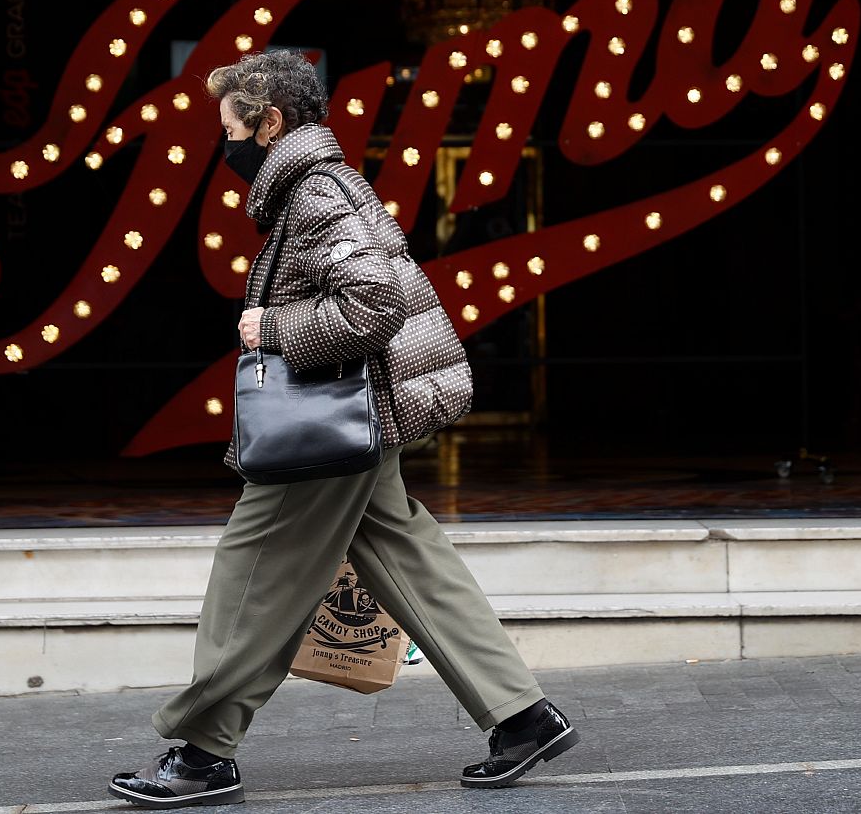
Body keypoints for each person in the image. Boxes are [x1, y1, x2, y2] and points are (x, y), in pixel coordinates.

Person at [108, 51, 579, 809]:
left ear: (271, 123)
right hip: (359, 420)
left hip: (327, 427)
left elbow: (371, 305)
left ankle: (201, 752)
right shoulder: (319, 185)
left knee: (252, 570)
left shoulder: (315, 191)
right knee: (409, 558)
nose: (222, 148)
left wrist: (272, 328)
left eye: (230, 131)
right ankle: (523, 718)